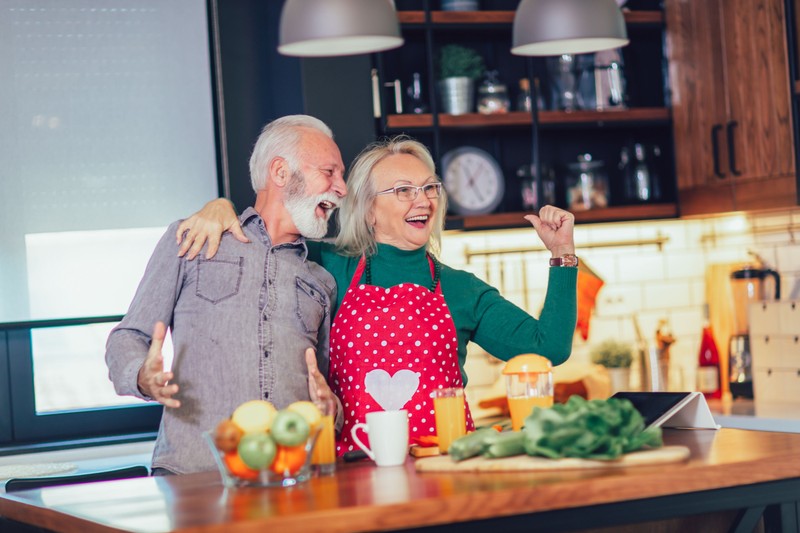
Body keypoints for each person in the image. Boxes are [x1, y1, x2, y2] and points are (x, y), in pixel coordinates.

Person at [176, 136, 577, 455]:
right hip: (351, 472)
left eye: (428, 187)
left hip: (445, 470)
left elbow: (548, 349)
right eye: (403, 190)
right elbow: (269, 227)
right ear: (368, 209)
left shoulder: (460, 288)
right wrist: (220, 206)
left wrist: (562, 255)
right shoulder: (327, 265)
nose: (423, 200)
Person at [105, 115, 347, 474]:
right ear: (280, 172)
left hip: (292, 479)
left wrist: (334, 412)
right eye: (330, 172)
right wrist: (142, 375)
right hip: (192, 477)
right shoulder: (194, 239)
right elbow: (129, 336)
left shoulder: (321, 279)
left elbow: (324, 384)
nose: (341, 188)